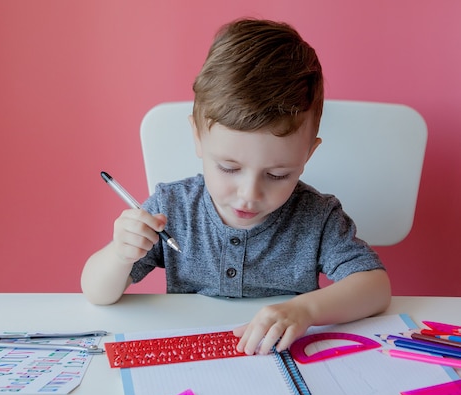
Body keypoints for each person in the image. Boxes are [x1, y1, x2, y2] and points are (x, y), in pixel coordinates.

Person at [81, 18, 391, 355]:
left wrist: (307, 310)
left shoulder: (317, 217)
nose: (249, 194)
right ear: (198, 138)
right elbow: (97, 292)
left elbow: (376, 287)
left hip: (285, 359)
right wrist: (119, 254)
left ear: (308, 154)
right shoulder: (172, 208)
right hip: (193, 359)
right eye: (229, 168)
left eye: (277, 175)